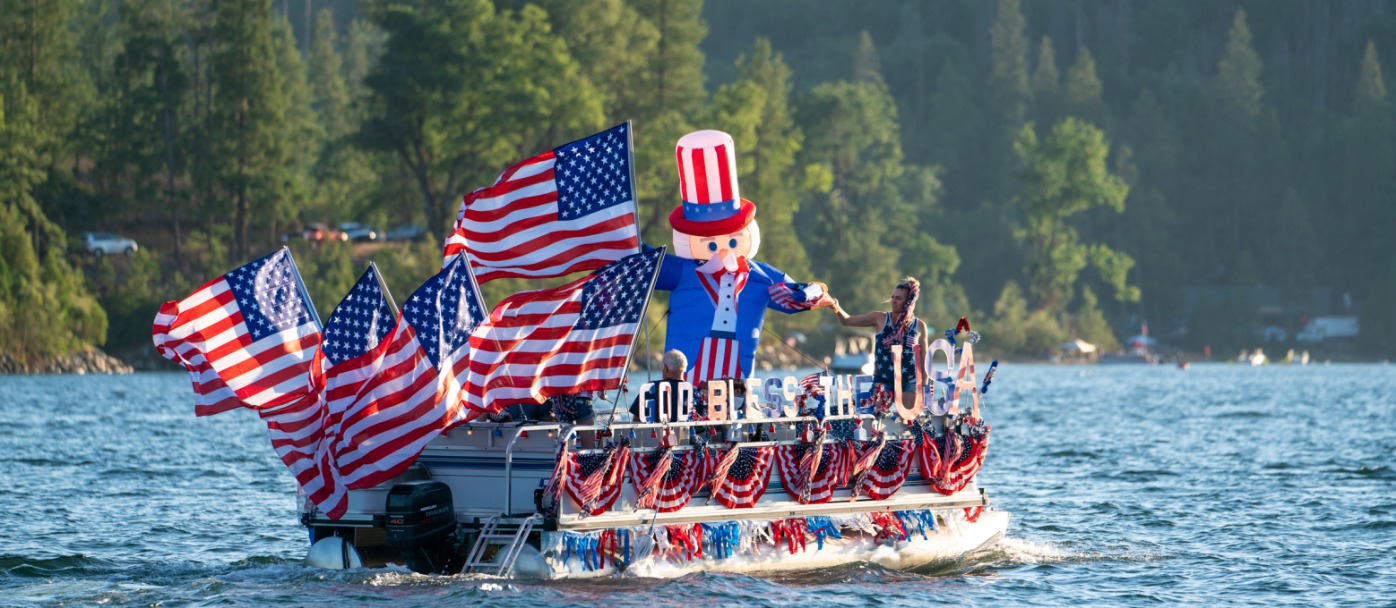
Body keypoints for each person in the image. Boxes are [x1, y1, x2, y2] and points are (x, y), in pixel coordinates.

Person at [829, 277, 930, 413]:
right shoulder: (879, 318)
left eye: (898, 298)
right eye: (892, 297)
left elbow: (924, 359)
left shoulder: (919, 326)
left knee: (907, 420)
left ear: (908, 302)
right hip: (883, 380)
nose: (893, 301)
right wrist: (836, 307)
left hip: (909, 381)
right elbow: (847, 321)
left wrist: (924, 385)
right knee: (874, 418)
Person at [629, 350, 692, 423]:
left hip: (652, 433)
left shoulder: (650, 388)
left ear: (665, 368)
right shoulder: (693, 392)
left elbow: (637, 420)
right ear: (685, 368)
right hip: (685, 433)